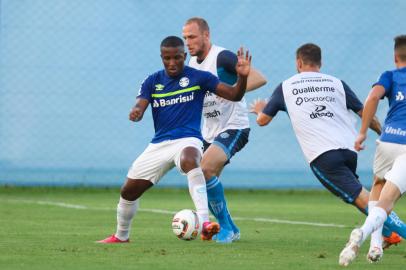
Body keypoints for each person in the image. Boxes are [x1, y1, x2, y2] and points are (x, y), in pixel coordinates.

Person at [250, 43, 406, 248]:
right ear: (320, 62)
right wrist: (381, 133)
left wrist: (260, 109)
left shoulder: (286, 86)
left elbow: (263, 120)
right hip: (349, 151)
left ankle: (398, 229)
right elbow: (365, 113)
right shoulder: (337, 83)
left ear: (298, 62)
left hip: (323, 155)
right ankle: (387, 233)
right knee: (357, 194)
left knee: (361, 197)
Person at [98, 36, 252, 243]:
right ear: (161, 57)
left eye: (177, 58)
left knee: (191, 159)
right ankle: (121, 236)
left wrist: (241, 78)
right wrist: (136, 112)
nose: (172, 63)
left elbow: (233, 94)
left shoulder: (200, 77)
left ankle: (205, 223)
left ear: (184, 56)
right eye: (167, 58)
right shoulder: (152, 81)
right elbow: (140, 104)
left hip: (187, 140)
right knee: (128, 191)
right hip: (159, 144)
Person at [182, 17, 267, 243]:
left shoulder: (222, 56)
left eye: (192, 37)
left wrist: (230, 91)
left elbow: (259, 78)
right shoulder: (191, 64)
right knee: (206, 182)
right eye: (185, 38)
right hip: (209, 132)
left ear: (206, 36)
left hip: (234, 126)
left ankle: (227, 229)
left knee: (205, 169)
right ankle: (231, 227)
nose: (188, 42)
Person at [339, 35, 406, 266]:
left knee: (378, 186)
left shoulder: (389, 76)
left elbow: (373, 97)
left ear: (395, 56)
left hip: (388, 141)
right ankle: (366, 237)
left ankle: (375, 244)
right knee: (388, 201)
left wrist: (363, 131)